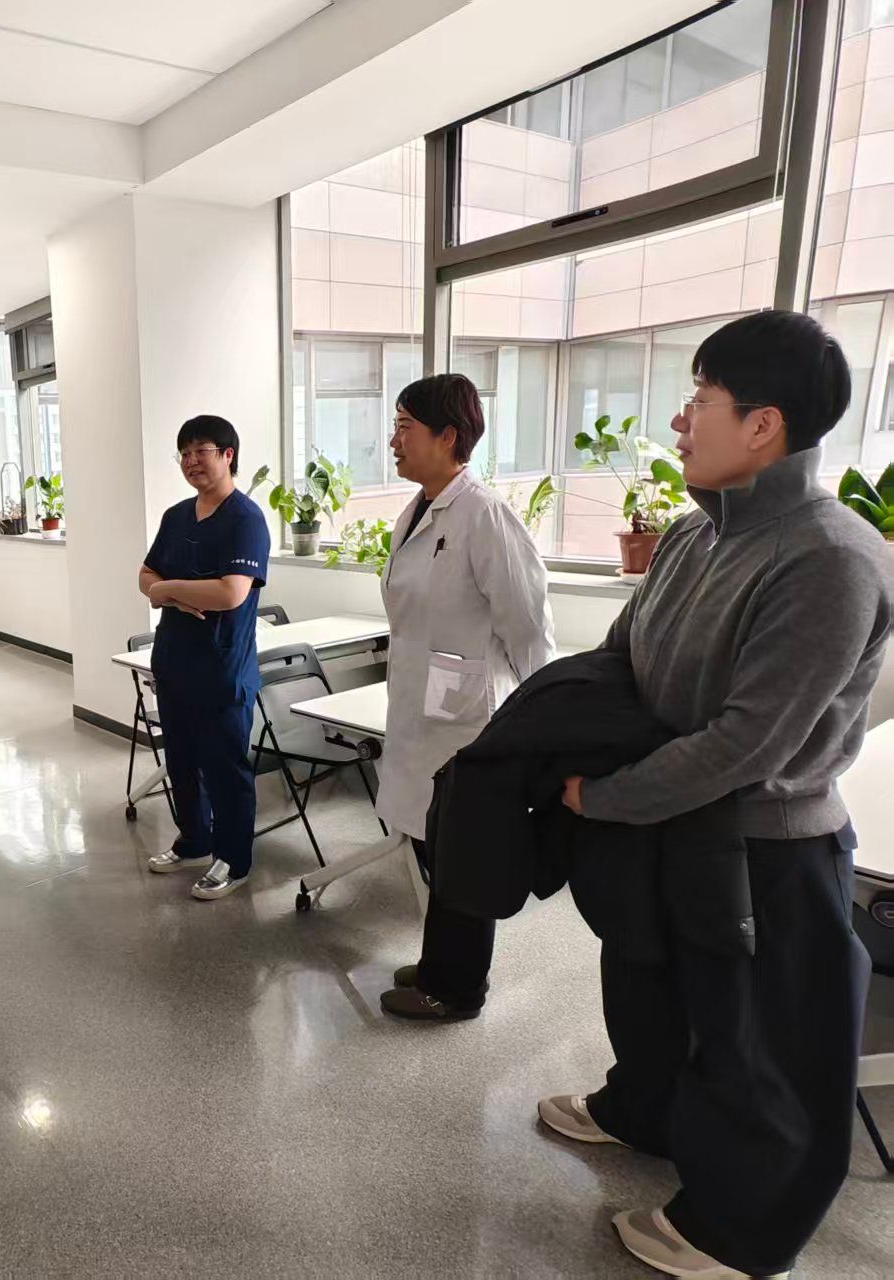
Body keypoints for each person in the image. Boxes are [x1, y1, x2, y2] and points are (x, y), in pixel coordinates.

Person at [548, 311, 893, 1280]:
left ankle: (735, 1236)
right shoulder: (692, 535)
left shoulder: (827, 555)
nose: (678, 419)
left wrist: (602, 795)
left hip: (763, 847)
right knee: (651, 994)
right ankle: (642, 1112)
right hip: (666, 823)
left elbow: (748, 744)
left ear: (761, 424)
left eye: (698, 398)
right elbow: (619, 657)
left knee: (755, 1051)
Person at [374, 374, 555, 1022]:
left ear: (448, 436)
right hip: (425, 707)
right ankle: (437, 965)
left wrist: (540, 724)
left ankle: (456, 989)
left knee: (462, 854)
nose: (394, 441)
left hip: (471, 720)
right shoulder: (419, 510)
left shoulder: (485, 515)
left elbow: (528, 627)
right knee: (435, 842)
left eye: (405, 427)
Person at [140, 415, 271, 901]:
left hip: (222, 666)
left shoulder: (245, 519)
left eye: (202, 451)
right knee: (181, 760)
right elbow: (145, 576)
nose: (192, 461)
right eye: (185, 453)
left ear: (227, 455)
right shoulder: (176, 516)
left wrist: (167, 590)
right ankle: (193, 841)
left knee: (224, 768)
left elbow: (230, 593)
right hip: (174, 660)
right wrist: (173, 593)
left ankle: (233, 859)